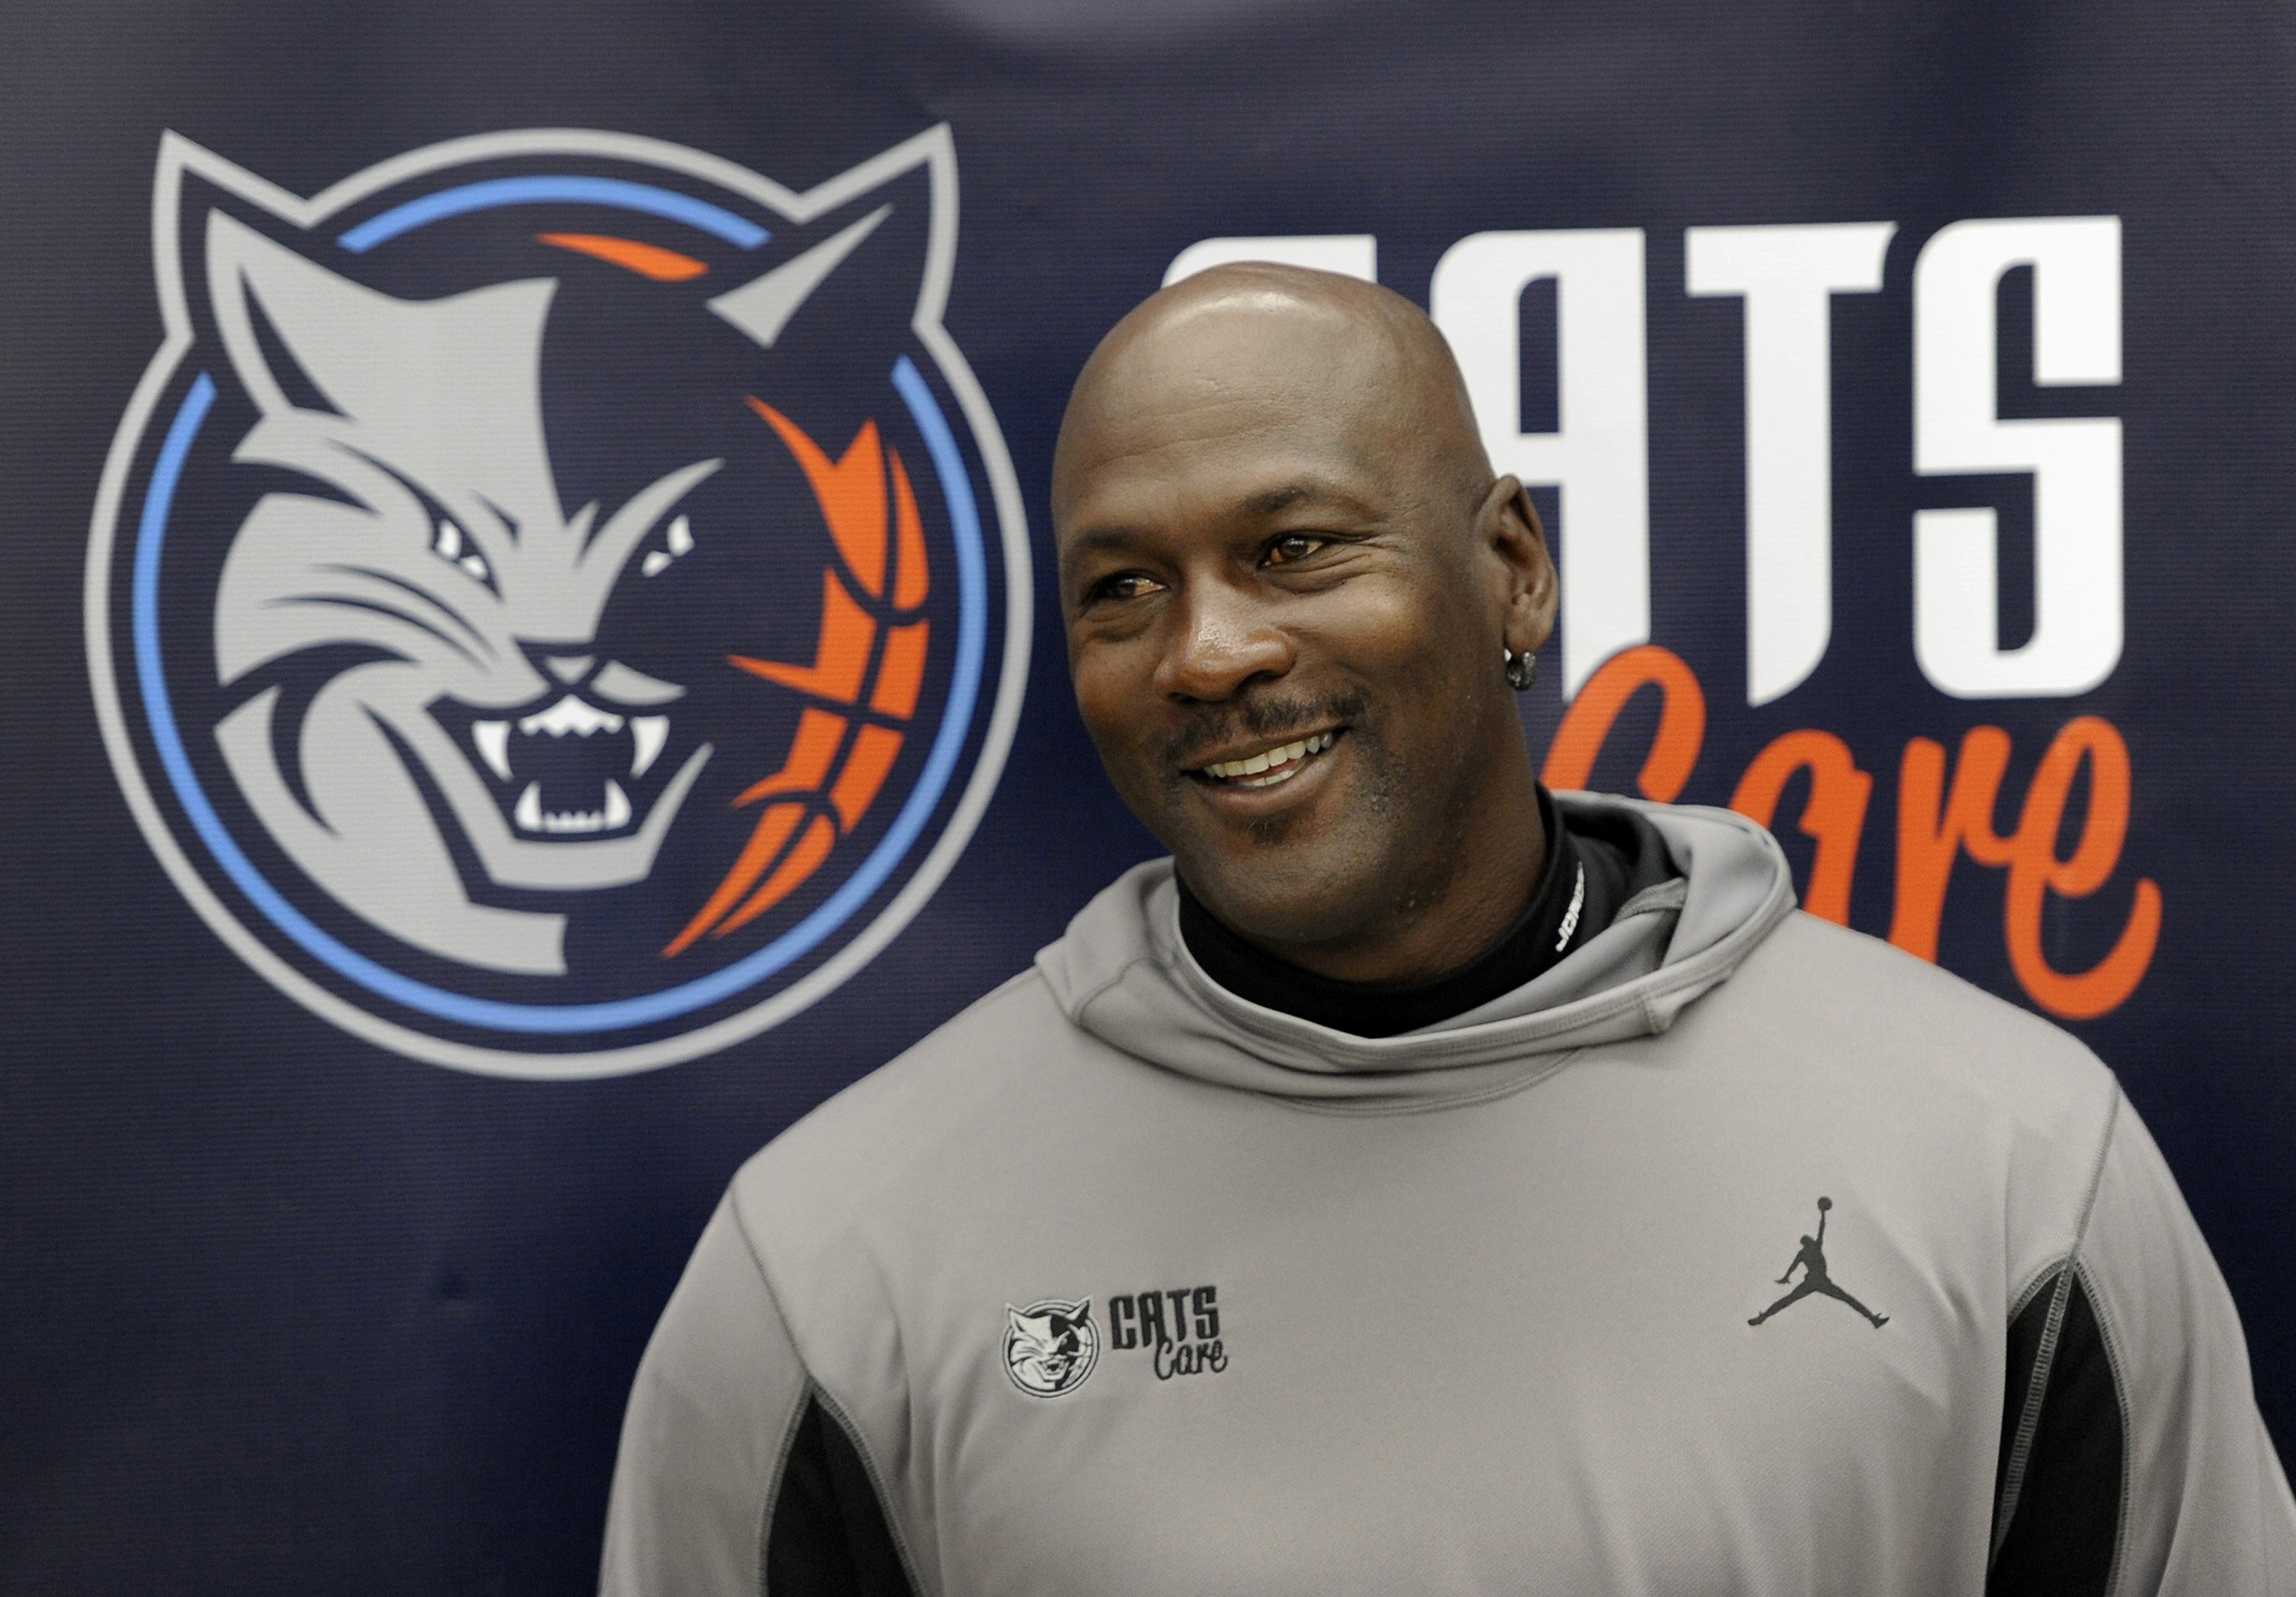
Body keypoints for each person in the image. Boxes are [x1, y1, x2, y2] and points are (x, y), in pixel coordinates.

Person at [599, 264, 2296, 1594]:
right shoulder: (837, 1265)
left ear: (1515, 572)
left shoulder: (2004, 1164)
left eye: (1295, 546)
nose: (1206, 653)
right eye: (1124, 587)